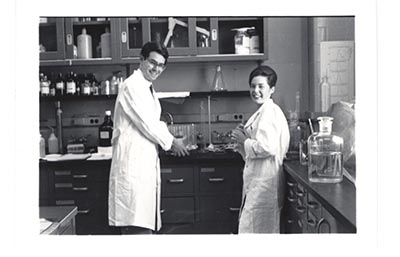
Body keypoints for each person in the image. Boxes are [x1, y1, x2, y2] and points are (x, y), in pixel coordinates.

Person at [108, 41, 189, 234]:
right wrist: (171, 143)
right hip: (133, 167)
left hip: (142, 166)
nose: (156, 69)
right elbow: (146, 122)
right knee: (136, 228)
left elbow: (153, 121)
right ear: (141, 60)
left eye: (161, 65)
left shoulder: (146, 87)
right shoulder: (132, 86)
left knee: (143, 226)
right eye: (153, 62)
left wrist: (170, 136)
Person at [231, 65, 290, 233]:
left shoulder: (270, 112)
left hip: (265, 183)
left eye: (261, 86)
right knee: (253, 226)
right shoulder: (262, 111)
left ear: (272, 89)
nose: (255, 90)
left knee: (255, 228)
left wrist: (245, 141)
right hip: (260, 180)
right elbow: (255, 150)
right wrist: (243, 139)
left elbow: (267, 147)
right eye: (252, 86)